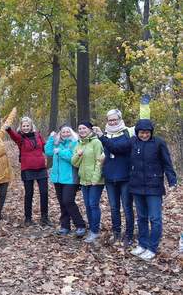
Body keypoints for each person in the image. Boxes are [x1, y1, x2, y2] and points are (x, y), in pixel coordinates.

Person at [101, 119, 177, 261]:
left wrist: (172, 179)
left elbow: (167, 162)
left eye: (147, 132)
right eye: (141, 132)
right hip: (136, 186)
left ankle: (152, 248)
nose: (144, 135)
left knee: (155, 218)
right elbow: (115, 148)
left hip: (154, 186)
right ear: (137, 132)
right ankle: (142, 244)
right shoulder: (132, 142)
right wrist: (102, 137)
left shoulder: (159, 143)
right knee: (142, 217)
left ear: (151, 132)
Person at [93, 109, 135, 245]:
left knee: (127, 206)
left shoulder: (128, 132)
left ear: (120, 118)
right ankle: (116, 233)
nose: (112, 122)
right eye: (110, 120)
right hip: (110, 176)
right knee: (113, 207)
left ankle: (129, 234)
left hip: (125, 176)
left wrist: (102, 138)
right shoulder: (104, 134)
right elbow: (105, 152)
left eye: (115, 119)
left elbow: (118, 148)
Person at [6, 116, 50, 226]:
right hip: (27, 169)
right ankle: (28, 218)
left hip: (41, 168)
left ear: (31, 126)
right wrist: (8, 129)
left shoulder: (38, 135)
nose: (25, 127)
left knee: (44, 193)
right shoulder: (20, 138)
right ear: (21, 127)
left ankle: (44, 218)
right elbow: (14, 136)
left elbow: (45, 147)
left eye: (27, 126)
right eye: (23, 126)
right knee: (29, 194)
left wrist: (54, 140)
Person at [44, 125, 86, 236]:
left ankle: (80, 225)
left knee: (68, 201)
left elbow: (72, 158)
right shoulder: (57, 143)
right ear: (60, 134)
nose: (66, 134)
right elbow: (48, 152)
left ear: (71, 133)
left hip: (70, 179)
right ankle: (65, 226)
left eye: (68, 132)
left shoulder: (75, 143)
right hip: (57, 178)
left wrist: (60, 152)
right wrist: (51, 139)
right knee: (62, 203)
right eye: (63, 132)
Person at [71, 121, 105, 243]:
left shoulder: (96, 142)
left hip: (96, 181)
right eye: (79, 129)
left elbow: (99, 161)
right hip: (84, 180)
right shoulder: (79, 144)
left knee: (93, 205)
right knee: (87, 206)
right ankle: (91, 228)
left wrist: (95, 179)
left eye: (84, 128)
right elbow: (74, 162)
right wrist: (78, 155)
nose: (81, 130)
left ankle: (94, 231)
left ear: (90, 130)